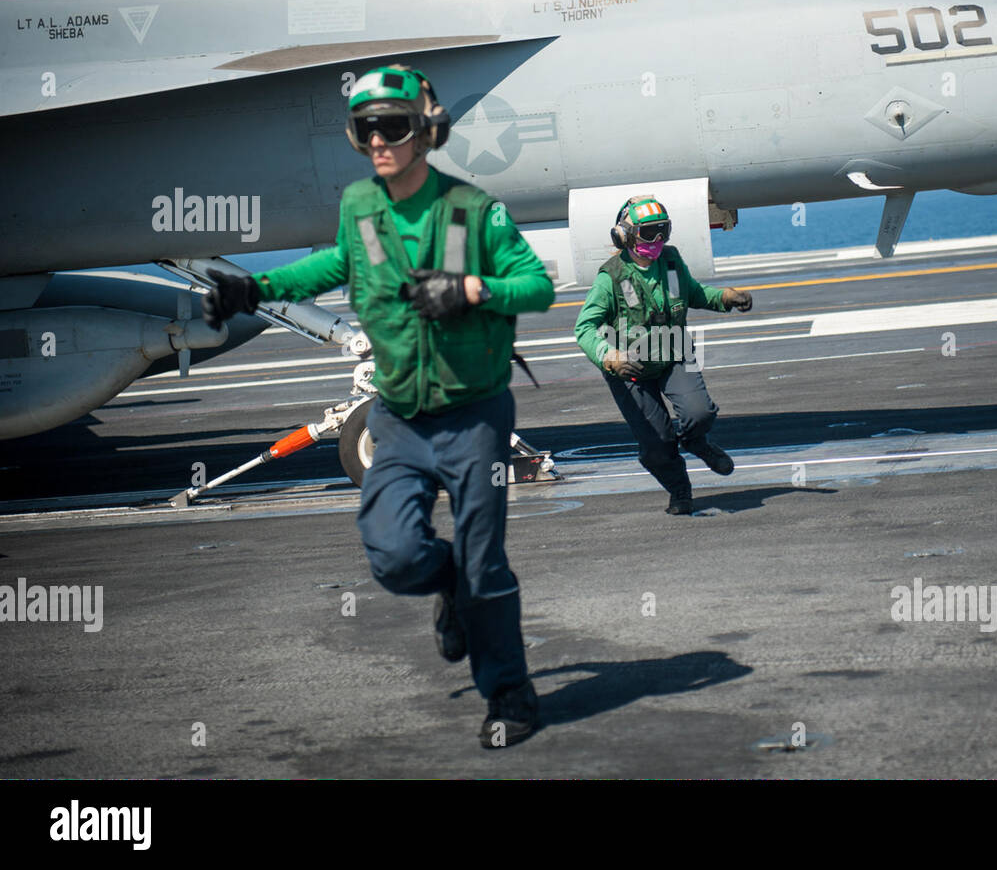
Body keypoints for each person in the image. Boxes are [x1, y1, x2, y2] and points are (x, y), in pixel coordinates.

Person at [202, 65, 554, 749]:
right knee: (394, 556)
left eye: (392, 125)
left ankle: (509, 692)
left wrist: (472, 289)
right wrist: (258, 286)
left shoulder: (474, 210)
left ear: (425, 128)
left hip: (474, 416)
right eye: (367, 130)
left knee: (486, 563)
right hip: (398, 416)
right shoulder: (361, 204)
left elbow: (536, 285)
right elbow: (339, 263)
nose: (379, 140)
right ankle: (443, 579)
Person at [573, 196, 752, 515]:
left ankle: (696, 442)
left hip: (674, 355)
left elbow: (694, 294)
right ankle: (680, 490)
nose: (657, 240)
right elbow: (585, 328)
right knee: (657, 443)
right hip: (629, 368)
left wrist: (725, 297)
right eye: (648, 232)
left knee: (700, 414)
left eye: (663, 231)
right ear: (625, 235)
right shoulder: (610, 278)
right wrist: (608, 356)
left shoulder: (671, 261)